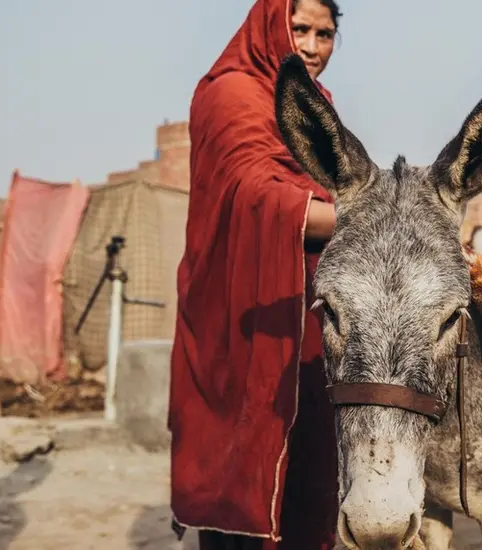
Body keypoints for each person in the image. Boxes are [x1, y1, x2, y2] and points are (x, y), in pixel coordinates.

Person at [167, 1, 343, 548]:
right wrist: (364, 217)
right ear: (270, 25)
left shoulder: (318, 106)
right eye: (300, 30)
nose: (313, 47)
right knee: (241, 475)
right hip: (239, 316)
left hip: (305, 307)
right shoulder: (231, 93)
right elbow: (251, 194)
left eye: (326, 34)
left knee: (307, 477)